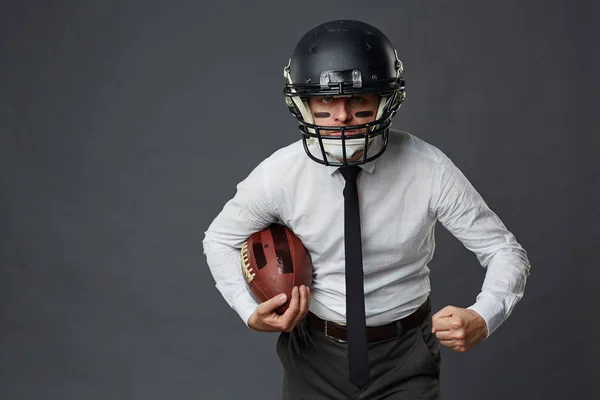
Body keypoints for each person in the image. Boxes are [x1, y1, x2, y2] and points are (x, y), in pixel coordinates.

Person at [202, 19, 530, 400]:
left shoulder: (428, 168)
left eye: (358, 98)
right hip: (313, 353)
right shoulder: (280, 174)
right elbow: (220, 239)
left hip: (406, 354)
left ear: (385, 100)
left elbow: (504, 251)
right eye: (326, 100)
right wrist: (248, 309)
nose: (342, 116)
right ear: (303, 103)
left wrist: (484, 315)